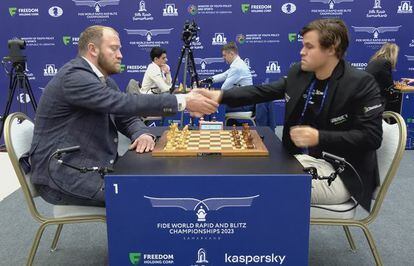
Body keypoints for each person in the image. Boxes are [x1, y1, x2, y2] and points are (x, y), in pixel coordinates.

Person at [195, 19, 383, 211]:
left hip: (345, 174)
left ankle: (273, 238)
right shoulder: (300, 74)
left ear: (332, 48)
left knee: (261, 188)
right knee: (249, 172)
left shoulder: (361, 83)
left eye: (309, 47)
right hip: (309, 161)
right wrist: (220, 95)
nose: (302, 52)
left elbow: (372, 137)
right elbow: (263, 91)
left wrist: (318, 136)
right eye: (303, 46)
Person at [29, 25, 218, 207]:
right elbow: (123, 103)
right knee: (152, 195)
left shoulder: (102, 80)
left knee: (160, 180)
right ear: (93, 49)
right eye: (114, 49)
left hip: (91, 166)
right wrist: (182, 100)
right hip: (65, 175)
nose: (120, 55)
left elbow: (124, 115)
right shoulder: (74, 77)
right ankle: (143, 240)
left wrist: (141, 133)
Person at [204, 42, 254, 113]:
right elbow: (224, 75)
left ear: (231, 54)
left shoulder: (237, 67)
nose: (223, 58)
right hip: (243, 102)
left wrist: (210, 94)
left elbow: (224, 88)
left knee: (211, 107)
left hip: (244, 105)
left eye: (224, 55)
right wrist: (207, 80)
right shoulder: (238, 64)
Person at [365, 43, 400, 112]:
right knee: (396, 99)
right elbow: (389, 84)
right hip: (375, 98)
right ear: (393, 53)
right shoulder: (385, 62)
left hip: (367, 95)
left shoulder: (374, 61)